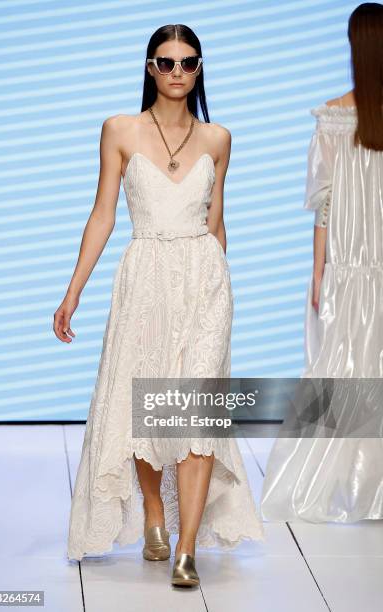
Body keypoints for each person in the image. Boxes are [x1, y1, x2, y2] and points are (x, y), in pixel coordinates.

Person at [53, 24, 264, 586]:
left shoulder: (217, 138)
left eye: (188, 62)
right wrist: (73, 291)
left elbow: (217, 222)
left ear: (200, 69)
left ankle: (187, 549)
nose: (177, 72)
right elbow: (102, 215)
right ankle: (153, 515)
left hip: (204, 281)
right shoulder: (119, 130)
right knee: (145, 407)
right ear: (150, 68)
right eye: (166, 62)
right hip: (144, 276)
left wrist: (224, 293)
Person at [260, 3, 383, 523]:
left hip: (350, 269)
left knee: (340, 372)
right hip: (357, 268)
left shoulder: (334, 116)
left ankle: (342, 488)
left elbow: (324, 205)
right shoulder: (335, 118)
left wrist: (319, 271)